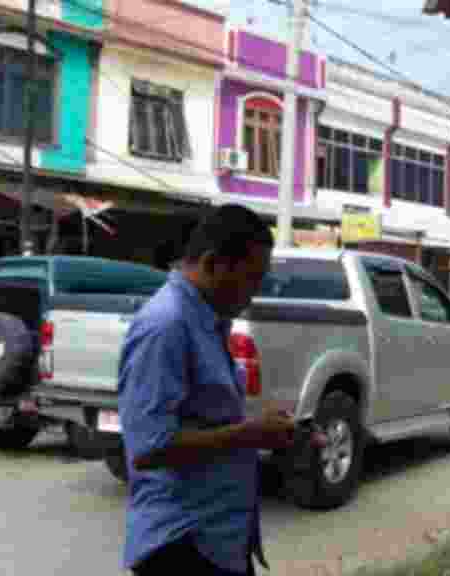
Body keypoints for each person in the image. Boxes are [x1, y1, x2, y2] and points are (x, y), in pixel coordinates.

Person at [118, 204, 325, 576]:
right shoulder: (166, 326)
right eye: (251, 279)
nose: (253, 294)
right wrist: (249, 434)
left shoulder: (208, 321)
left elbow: (206, 418)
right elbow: (148, 449)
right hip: (182, 545)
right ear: (213, 264)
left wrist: (271, 433)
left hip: (219, 539)